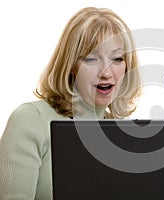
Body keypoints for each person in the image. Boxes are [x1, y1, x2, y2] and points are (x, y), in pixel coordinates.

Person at [0, 7, 141, 199]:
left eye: (117, 59)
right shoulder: (31, 120)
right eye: (91, 59)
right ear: (71, 65)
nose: (107, 72)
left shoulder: (121, 134)